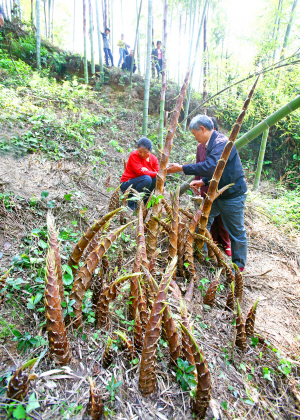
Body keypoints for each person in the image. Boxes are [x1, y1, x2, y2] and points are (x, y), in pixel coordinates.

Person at [167, 114, 247, 271]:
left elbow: (211, 166)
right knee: (201, 219)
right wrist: (203, 181)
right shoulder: (212, 143)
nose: (195, 138)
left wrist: (181, 168)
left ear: (202, 129)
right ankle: (199, 252)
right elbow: (218, 170)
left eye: (195, 134)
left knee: (236, 231)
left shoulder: (221, 143)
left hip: (232, 195)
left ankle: (238, 268)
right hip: (216, 193)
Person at [195, 116, 231, 256]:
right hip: (205, 184)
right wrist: (199, 182)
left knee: (222, 217)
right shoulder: (200, 147)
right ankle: (210, 242)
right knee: (207, 215)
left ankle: (226, 243)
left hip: (220, 185)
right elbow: (199, 165)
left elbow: (216, 167)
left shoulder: (222, 144)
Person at [121, 137, 159, 210]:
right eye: (140, 151)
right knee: (147, 179)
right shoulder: (134, 155)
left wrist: (147, 171)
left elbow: (158, 174)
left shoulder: (154, 159)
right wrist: (152, 173)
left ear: (150, 151)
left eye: (145, 152)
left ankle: (146, 203)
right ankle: (132, 205)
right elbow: (140, 172)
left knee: (157, 180)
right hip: (126, 184)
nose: (142, 154)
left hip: (141, 185)